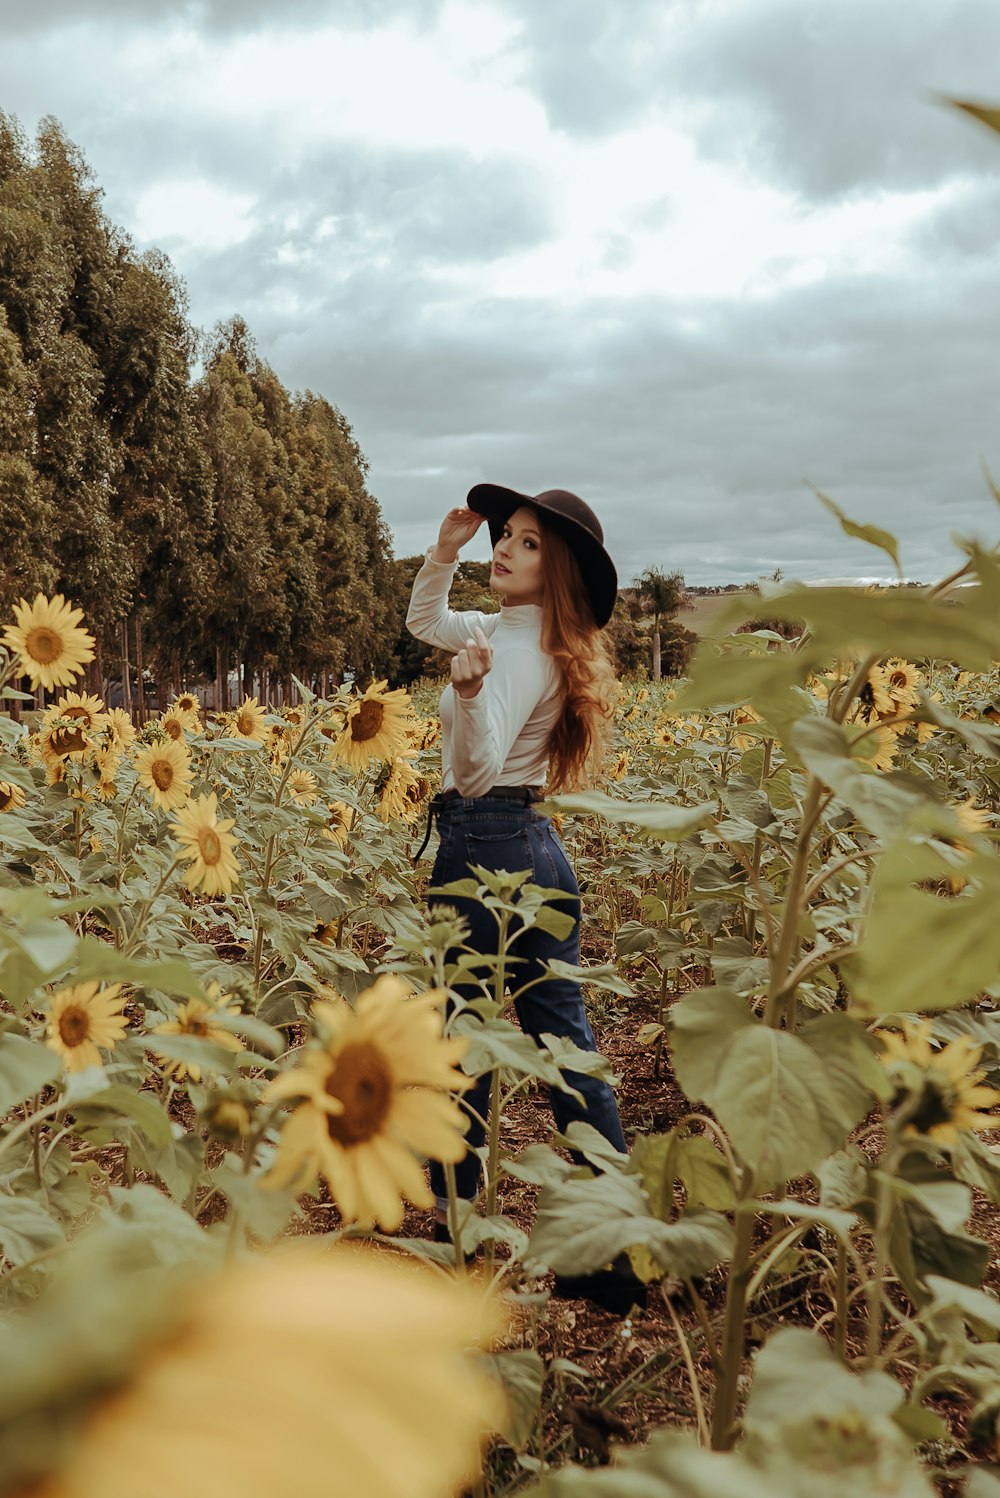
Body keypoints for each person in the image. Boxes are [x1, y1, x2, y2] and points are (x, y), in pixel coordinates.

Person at [406, 483, 645, 1314]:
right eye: (505, 535)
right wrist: (443, 552)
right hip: (535, 848)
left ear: (560, 570)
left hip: (485, 848)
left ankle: (460, 1232)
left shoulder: (516, 656)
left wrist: (470, 701)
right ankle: (611, 1255)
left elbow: (473, 774)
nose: (503, 548)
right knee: (568, 1053)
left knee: (458, 1046)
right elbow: (426, 626)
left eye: (529, 543)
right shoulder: (516, 633)